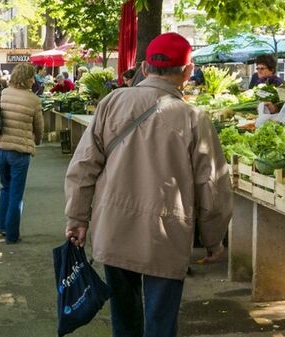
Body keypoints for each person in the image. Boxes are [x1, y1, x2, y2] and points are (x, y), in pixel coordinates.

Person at [64, 32, 233, 337]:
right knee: (161, 322)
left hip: (113, 225)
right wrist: (213, 238)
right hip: (165, 232)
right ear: (187, 70)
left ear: (144, 68)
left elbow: (83, 166)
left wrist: (77, 218)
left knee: (124, 319)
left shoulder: (111, 102)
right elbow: (212, 184)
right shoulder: (193, 117)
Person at [0, 63, 43, 243]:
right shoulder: (33, 100)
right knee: (16, 193)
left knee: (5, 188)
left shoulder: (1, 94)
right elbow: (39, 127)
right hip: (20, 152)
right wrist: (37, 141)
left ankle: (2, 227)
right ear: (29, 78)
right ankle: (12, 235)